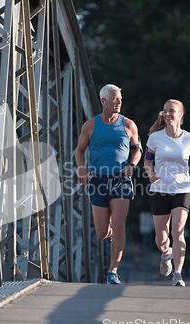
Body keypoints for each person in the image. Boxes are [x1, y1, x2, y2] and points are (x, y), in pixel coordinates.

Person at [75, 84, 142, 284]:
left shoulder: (129, 125)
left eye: (120, 99)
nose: (119, 102)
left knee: (120, 225)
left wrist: (132, 164)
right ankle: (110, 235)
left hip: (120, 180)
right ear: (104, 101)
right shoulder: (90, 125)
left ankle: (113, 271)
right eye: (115, 99)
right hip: (97, 180)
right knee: (102, 231)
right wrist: (81, 169)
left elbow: (137, 149)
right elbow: (79, 151)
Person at [144, 99, 190, 287]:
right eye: (165, 111)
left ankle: (178, 275)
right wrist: (149, 173)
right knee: (161, 238)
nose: (167, 114)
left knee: (178, 232)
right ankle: (166, 254)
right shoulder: (155, 138)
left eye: (172, 111)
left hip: (182, 189)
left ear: (180, 115)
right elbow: (147, 161)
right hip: (159, 190)